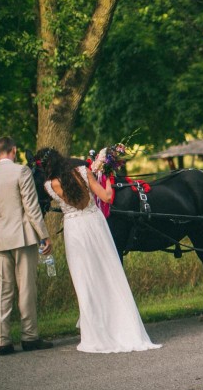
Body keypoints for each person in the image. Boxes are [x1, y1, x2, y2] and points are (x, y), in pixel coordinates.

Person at [36, 147, 161, 353]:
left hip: (74, 232)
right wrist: (108, 177)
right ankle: (123, 325)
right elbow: (107, 197)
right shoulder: (84, 172)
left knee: (85, 280)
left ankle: (95, 333)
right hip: (95, 225)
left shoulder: (49, 186)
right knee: (109, 273)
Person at [0, 136, 54, 355]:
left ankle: (3, 340)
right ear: (14, 150)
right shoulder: (22, 172)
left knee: (3, 289)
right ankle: (29, 336)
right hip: (22, 236)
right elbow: (32, 208)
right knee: (26, 287)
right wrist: (44, 235)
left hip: (0, 238)